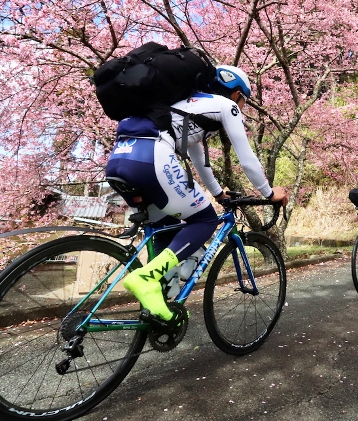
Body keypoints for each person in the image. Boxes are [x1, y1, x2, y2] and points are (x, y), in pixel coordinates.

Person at [105, 65, 288, 324]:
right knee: (205, 220)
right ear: (236, 94)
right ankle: (145, 280)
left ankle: (160, 305)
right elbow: (247, 159)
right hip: (151, 158)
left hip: (120, 160)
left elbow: (198, 158)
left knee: (165, 227)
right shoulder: (226, 106)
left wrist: (218, 194)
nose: (243, 107)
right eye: (245, 101)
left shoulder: (182, 107)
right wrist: (269, 193)